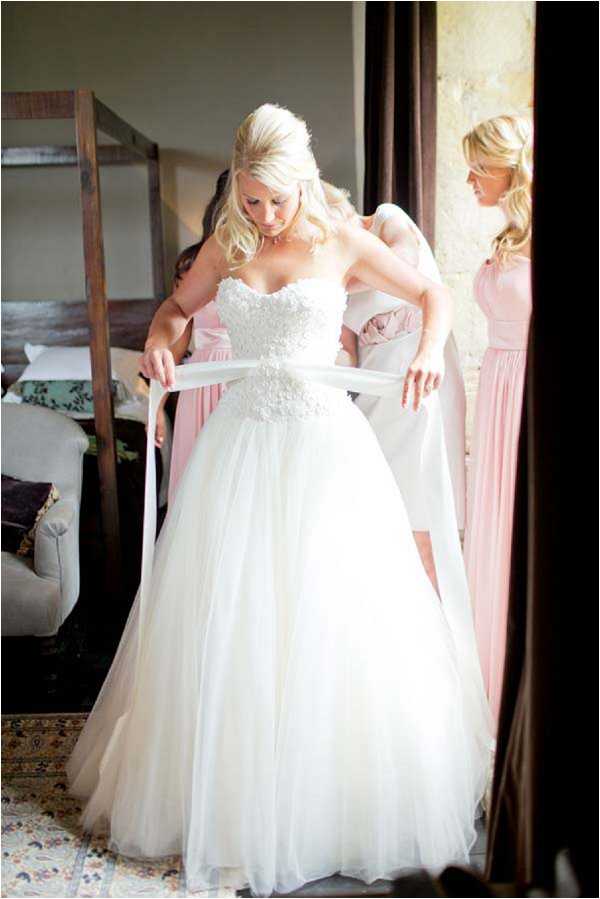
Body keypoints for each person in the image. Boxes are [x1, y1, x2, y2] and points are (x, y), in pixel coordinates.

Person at [65, 103, 493, 898]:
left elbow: (433, 295)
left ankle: (327, 797)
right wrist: (161, 347)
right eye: (253, 200)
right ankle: (233, 794)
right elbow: (173, 313)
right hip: (240, 446)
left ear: (302, 180)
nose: (264, 215)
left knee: (332, 616)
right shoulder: (229, 245)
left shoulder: (340, 238)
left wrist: (430, 352)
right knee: (235, 620)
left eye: (277, 199)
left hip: (328, 450)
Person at [324, 184, 466, 592]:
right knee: (381, 511)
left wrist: (339, 272)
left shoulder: (387, 219)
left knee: (424, 511)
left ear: (349, 215)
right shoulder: (330, 273)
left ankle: (440, 611)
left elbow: (403, 262)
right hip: (376, 387)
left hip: (421, 373)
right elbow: (347, 354)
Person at [462, 114, 533, 728]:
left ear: (514, 168)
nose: (469, 178)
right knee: (495, 525)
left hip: (529, 389)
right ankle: (492, 690)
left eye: (480, 166)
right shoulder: (509, 237)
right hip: (497, 386)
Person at [162, 170, 232, 503]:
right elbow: (177, 336)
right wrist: (158, 406)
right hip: (203, 383)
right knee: (201, 492)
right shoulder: (194, 262)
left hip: (251, 378)